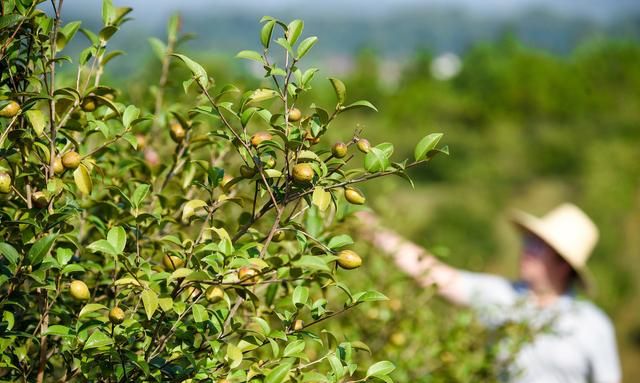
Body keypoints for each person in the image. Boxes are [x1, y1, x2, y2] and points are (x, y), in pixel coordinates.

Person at [357, 203, 621, 383]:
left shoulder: (592, 325)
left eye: (538, 246)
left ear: (563, 263)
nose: (526, 249)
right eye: (528, 241)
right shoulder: (504, 296)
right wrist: (374, 231)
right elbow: (436, 276)